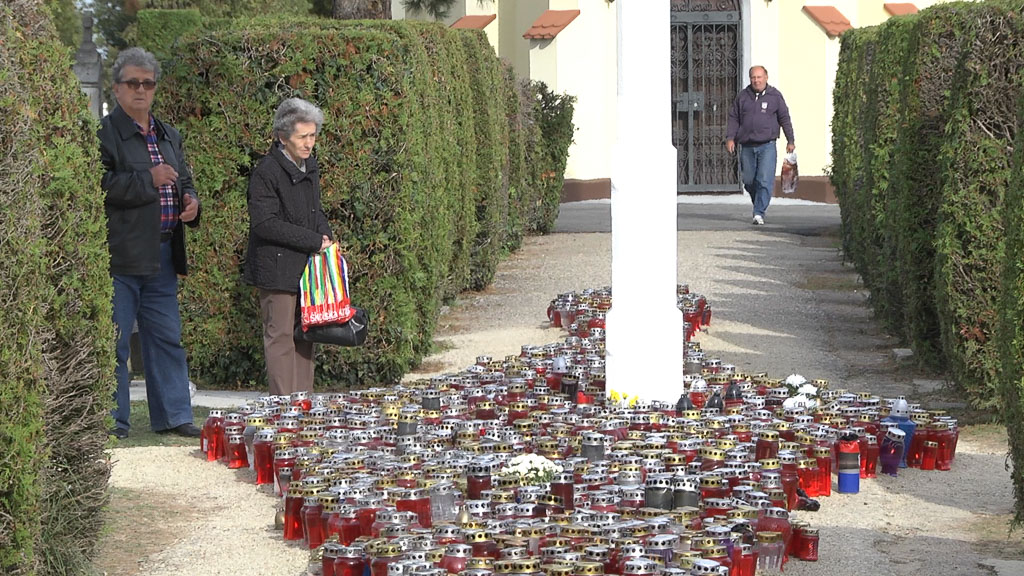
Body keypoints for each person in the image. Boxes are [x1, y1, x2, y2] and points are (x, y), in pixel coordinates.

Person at [99, 47, 202, 438]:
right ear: (117, 88)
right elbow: (99, 185)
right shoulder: (104, 134)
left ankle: (175, 416)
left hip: (163, 252)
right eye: (132, 83)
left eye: (148, 83)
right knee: (116, 343)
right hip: (122, 255)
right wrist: (149, 180)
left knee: (167, 339)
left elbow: (184, 179)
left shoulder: (169, 134)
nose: (141, 90)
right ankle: (113, 422)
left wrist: (191, 202)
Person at [243, 98, 334, 396]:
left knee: (307, 334)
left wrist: (326, 236)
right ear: (283, 137)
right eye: (302, 137)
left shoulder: (310, 166)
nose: (309, 143)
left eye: (313, 135)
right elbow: (265, 223)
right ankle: (283, 406)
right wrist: (312, 240)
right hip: (277, 268)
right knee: (280, 336)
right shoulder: (267, 171)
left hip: (307, 268)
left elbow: (314, 210)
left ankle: (303, 403)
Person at [726, 65, 795, 225]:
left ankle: (759, 212)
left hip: (767, 145)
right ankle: (758, 202)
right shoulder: (743, 97)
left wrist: (790, 140)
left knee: (764, 180)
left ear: (766, 78)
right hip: (747, 146)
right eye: (753, 77)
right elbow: (734, 118)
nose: (756, 80)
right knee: (749, 181)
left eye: (759, 77)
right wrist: (730, 138)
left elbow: (784, 118)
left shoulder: (775, 96)